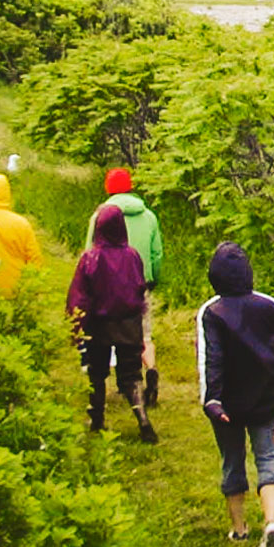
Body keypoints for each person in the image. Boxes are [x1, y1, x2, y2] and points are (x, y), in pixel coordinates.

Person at [196, 242, 274, 547]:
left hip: (226, 403)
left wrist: (212, 400)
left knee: (232, 460)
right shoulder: (268, 304)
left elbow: (210, 358)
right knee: (269, 459)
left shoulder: (211, 311)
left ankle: (239, 529)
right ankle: (271, 522)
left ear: (214, 276)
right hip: (266, 396)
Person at [66, 204, 156, 441]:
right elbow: (140, 288)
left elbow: (79, 295)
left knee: (97, 373)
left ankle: (97, 419)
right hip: (129, 323)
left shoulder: (90, 258)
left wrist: (75, 326)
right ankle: (143, 419)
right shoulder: (133, 256)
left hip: (99, 325)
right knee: (131, 374)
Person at [87, 168, 165, 406]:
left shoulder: (99, 216)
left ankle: (116, 386)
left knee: (110, 335)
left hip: (107, 288)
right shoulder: (149, 216)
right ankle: (150, 371)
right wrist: (153, 278)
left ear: (108, 188)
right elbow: (157, 253)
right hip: (140, 285)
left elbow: (89, 252)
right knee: (144, 334)